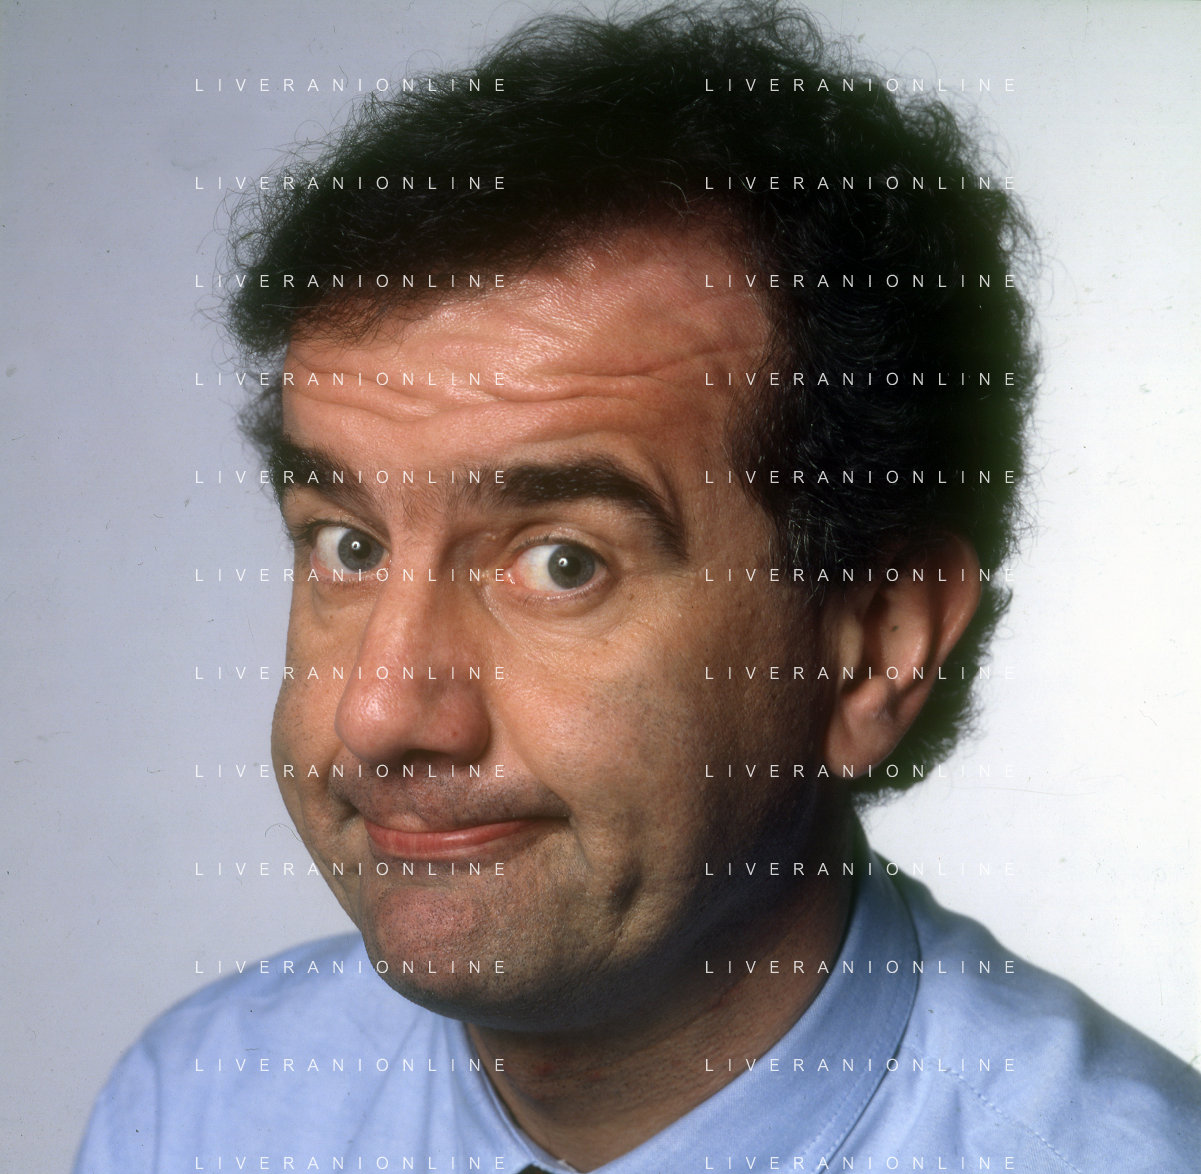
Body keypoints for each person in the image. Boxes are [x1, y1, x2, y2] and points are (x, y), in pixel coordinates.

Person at [74, 3, 1201, 1170]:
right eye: (347, 547)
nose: (379, 713)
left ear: (875, 646)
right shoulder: (195, 1114)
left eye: (562, 562)